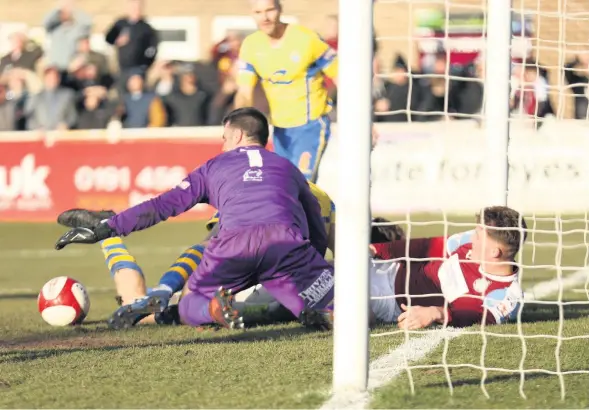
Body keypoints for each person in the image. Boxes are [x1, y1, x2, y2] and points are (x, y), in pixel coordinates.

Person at [55, 107, 335, 331]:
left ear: (237, 136)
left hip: (233, 245)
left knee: (191, 302)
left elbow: (163, 205)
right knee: (335, 304)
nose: (222, 144)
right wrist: (314, 266)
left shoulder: (212, 167)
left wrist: (109, 226)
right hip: (285, 246)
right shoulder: (287, 167)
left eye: (224, 138)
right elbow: (315, 220)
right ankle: (322, 311)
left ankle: (211, 309)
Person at [55, 180, 337, 328]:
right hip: (276, 282)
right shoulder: (318, 197)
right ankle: (179, 306)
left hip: (256, 280)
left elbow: (204, 248)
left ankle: (111, 236)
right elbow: (345, 249)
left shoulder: (249, 193)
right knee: (280, 306)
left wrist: (167, 289)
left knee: (143, 302)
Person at [368, 206, 527, 329]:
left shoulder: (508, 294)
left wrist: (435, 313)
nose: (472, 237)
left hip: (391, 301)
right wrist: (379, 249)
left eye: (478, 236)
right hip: (393, 268)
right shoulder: (469, 242)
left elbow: (482, 318)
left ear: (494, 252)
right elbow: (427, 246)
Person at [234, 0, 338, 183]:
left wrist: (363, 119)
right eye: (258, 12)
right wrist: (238, 125)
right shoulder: (251, 46)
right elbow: (244, 92)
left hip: (311, 124)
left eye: (270, 10)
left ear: (280, 9)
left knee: (300, 184)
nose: (265, 17)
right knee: (283, 186)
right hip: (280, 129)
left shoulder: (306, 39)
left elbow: (343, 77)